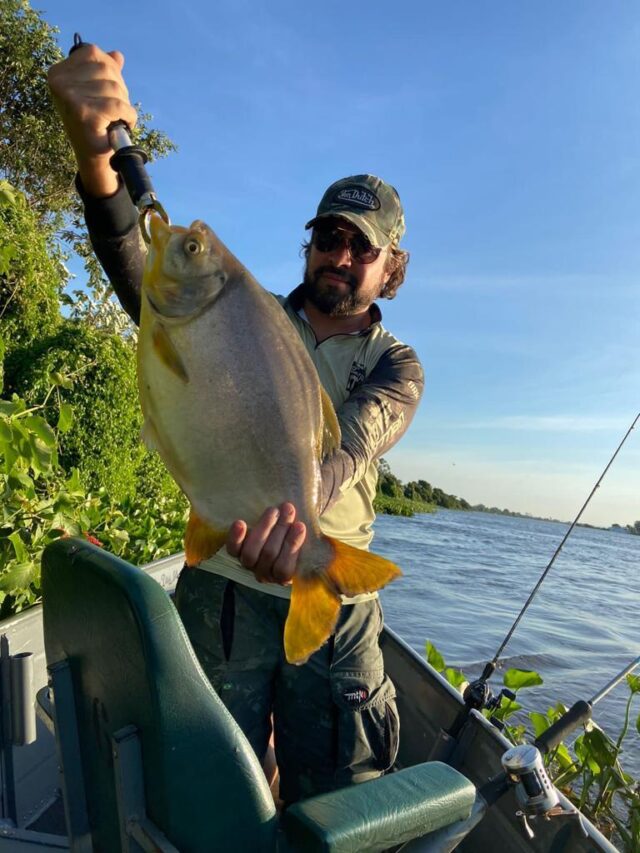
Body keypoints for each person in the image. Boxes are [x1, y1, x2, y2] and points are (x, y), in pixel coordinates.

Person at [48, 45, 425, 805]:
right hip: (222, 585)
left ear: (392, 268)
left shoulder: (399, 363)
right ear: (309, 243)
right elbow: (137, 268)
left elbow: (355, 441)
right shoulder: (241, 316)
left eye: (362, 245)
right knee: (208, 783)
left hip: (338, 601)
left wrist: (301, 528)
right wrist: (98, 165)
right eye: (328, 235)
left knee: (336, 799)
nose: (340, 254)